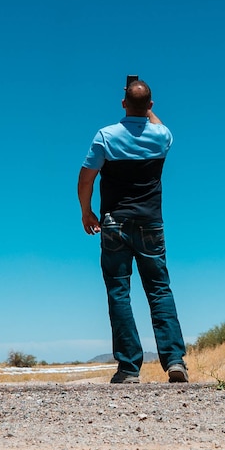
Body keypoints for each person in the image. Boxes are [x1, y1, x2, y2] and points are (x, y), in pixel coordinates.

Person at [79, 80, 188, 384]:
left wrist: (86, 211)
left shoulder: (106, 136)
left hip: (114, 222)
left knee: (119, 292)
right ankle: (174, 359)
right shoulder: (161, 136)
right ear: (151, 107)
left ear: (123, 103)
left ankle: (129, 367)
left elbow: (86, 178)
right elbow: (158, 124)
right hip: (151, 223)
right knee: (159, 289)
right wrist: (146, 110)